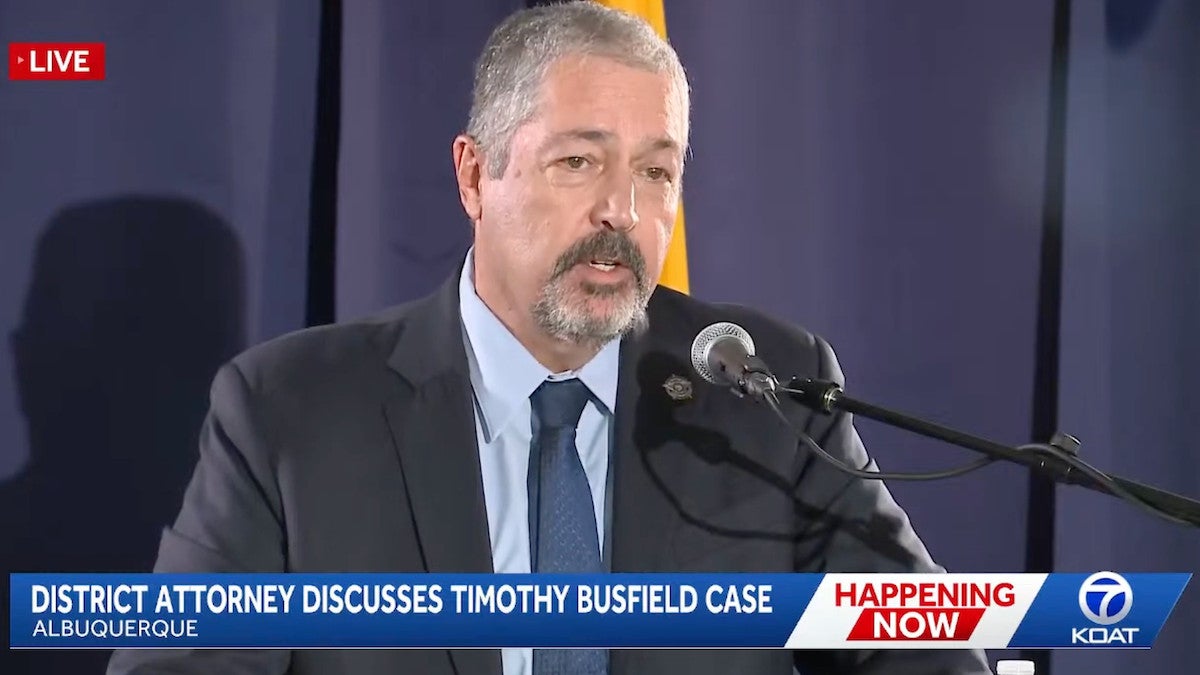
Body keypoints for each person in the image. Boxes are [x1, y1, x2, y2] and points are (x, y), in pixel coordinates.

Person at [109, 2, 991, 674]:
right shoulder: (291, 411)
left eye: (656, 171)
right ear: (475, 176)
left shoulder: (766, 395)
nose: (624, 210)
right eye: (579, 161)